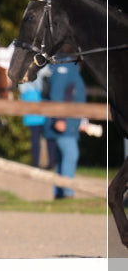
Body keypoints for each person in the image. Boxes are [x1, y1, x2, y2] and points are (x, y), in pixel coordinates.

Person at [43, 60, 86, 198]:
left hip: (71, 121)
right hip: (65, 122)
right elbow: (57, 93)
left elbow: (75, 96)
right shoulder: (65, 65)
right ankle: (67, 192)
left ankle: (59, 192)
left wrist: (83, 119)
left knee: (63, 158)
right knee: (71, 154)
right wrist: (59, 118)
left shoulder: (70, 66)